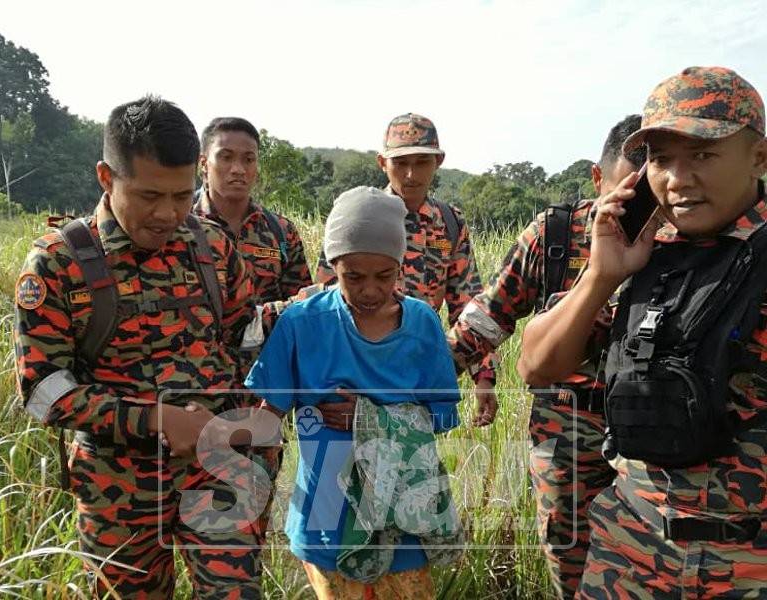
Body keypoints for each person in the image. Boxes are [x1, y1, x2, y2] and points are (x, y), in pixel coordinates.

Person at [518, 67, 767, 597]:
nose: (677, 179)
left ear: (759, 158)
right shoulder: (648, 253)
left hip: (748, 568)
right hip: (628, 554)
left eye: (702, 154)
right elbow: (537, 366)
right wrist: (602, 275)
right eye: (660, 159)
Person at [14, 96, 264, 599]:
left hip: (218, 471)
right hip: (118, 490)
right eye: (150, 195)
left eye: (181, 195)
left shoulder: (211, 248)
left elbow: (247, 339)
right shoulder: (60, 264)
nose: (168, 213)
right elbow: (43, 390)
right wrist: (156, 419)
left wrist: (253, 421)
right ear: (107, 178)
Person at [448, 115, 645, 598]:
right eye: (628, 192)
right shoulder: (556, 234)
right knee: (570, 561)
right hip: (566, 435)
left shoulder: (688, 237)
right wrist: (409, 381)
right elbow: (489, 317)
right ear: (599, 179)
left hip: (652, 435)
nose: (640, 210)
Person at [246, 186, 463, 600]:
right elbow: (266, 414)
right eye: (353, 277)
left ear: (400, 265)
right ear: (332, 266)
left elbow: (444, 416)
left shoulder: (421, 325)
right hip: (327, 516)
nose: (368, 290)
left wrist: (369, 418)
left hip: (402, 518)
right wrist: (206, 432)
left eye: (384, 276)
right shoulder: (302, 324)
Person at [316, 112, 498, 426]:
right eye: (400, 163)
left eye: (422, 162)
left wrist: (483, 375)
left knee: (411, 461)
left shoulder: (449, 223)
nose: (411, 175)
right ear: (381, 163)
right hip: (354, 370)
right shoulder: (358, 216)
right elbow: (328, 295)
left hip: (415, 372)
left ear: (439, 161)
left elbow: (465, 303)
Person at [194, 116, 312, 380]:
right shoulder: (181, 227)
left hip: (263, 385)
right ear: (204, 164)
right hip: (197, 386)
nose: (238, 169)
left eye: (248, 159)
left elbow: (301, 310)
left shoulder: (279, 231)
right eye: (225, 157)